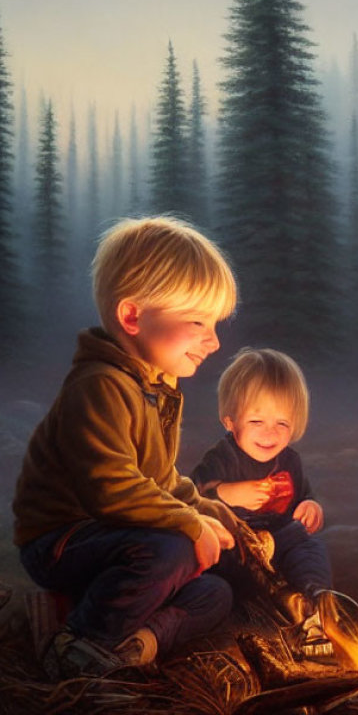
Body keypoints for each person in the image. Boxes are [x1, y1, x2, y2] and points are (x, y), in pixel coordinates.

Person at [12, 215, 242, 678]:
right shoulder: (99, 386)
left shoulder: (155, 386)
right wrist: (189, 525)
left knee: (215, 592)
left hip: (118, 539)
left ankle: (137, 643)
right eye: (197, 320)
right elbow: (113, 488)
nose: (213, 340)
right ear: (133, 316)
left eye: (214, 324)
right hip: (64, 539)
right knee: (173, 550)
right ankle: (79, 644)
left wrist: (211, 512)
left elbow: (159, 481)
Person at [190, 347, 337, 653]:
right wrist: (227, 492)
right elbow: (192, 496)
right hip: (236, 548)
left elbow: (303, 494)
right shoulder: (222, 457)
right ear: (230, 421)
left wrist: (310, 506)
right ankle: (282, 602)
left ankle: (315, 601)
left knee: (308, 543)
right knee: (221, 562)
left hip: (279, 543)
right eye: (257, 422)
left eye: (282, 423)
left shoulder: (289, 461)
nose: (270, 433)